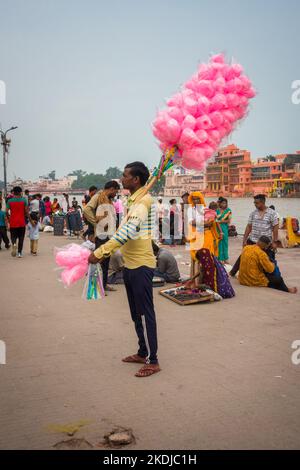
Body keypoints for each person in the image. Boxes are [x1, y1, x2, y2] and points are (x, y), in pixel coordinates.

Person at [88, 162, 160, 378]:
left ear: (136, 179)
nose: (122, 178)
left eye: (125, 175)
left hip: (141, 265)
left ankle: (153, 360)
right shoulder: (133, 199)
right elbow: (122, 228)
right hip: (130, 265)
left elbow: (128, 231)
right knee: (135, 313)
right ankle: (142, 351)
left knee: (146, 314)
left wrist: (101, 253)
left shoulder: (143, 201)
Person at [230, 194, 279, 276]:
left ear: (263, 202)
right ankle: (232, 272)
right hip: (253, 241)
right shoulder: (253, 213)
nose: (255, 204)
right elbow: (249, 226)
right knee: (243, 256)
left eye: (257, 203)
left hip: (266, 244)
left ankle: (274, 278)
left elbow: (275, 228)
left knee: (269, 260)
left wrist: (275, 242)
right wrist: (244, 240)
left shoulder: (272, 213)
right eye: (254, 203)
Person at [94, 180, 120, 291]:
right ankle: (99, 286)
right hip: (102, 235)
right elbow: (89, 211)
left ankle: (103, 285)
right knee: (101, 262)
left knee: (105, 262)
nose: (116, 194)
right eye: (116, 191)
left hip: (108, 234)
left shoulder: (108, 199)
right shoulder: (100, 198)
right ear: (111, 189)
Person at [6, 186, 29, 257]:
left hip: (13, 222)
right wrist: (29, 219)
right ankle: (19, 253)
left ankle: (14, 244)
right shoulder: (24, 200)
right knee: (21, 238)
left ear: (13, 192)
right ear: (20, 192)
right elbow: (26, 211)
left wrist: (9, 219)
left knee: (13, 236)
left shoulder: (9, 201)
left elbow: (6, 212)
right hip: (21, 222)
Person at [216, 198, 232, 264]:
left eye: (225, 203)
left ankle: (225, 258)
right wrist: (218, 222)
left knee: (225, 242)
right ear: (220, 203)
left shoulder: (229, 210)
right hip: (217, 228)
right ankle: (219, 258)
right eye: (222, 203)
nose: (224, 204)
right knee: (219, 243)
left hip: (224, 228)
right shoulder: (216, 210)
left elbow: (228, 220)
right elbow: (214, 219)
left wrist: (221, 221)